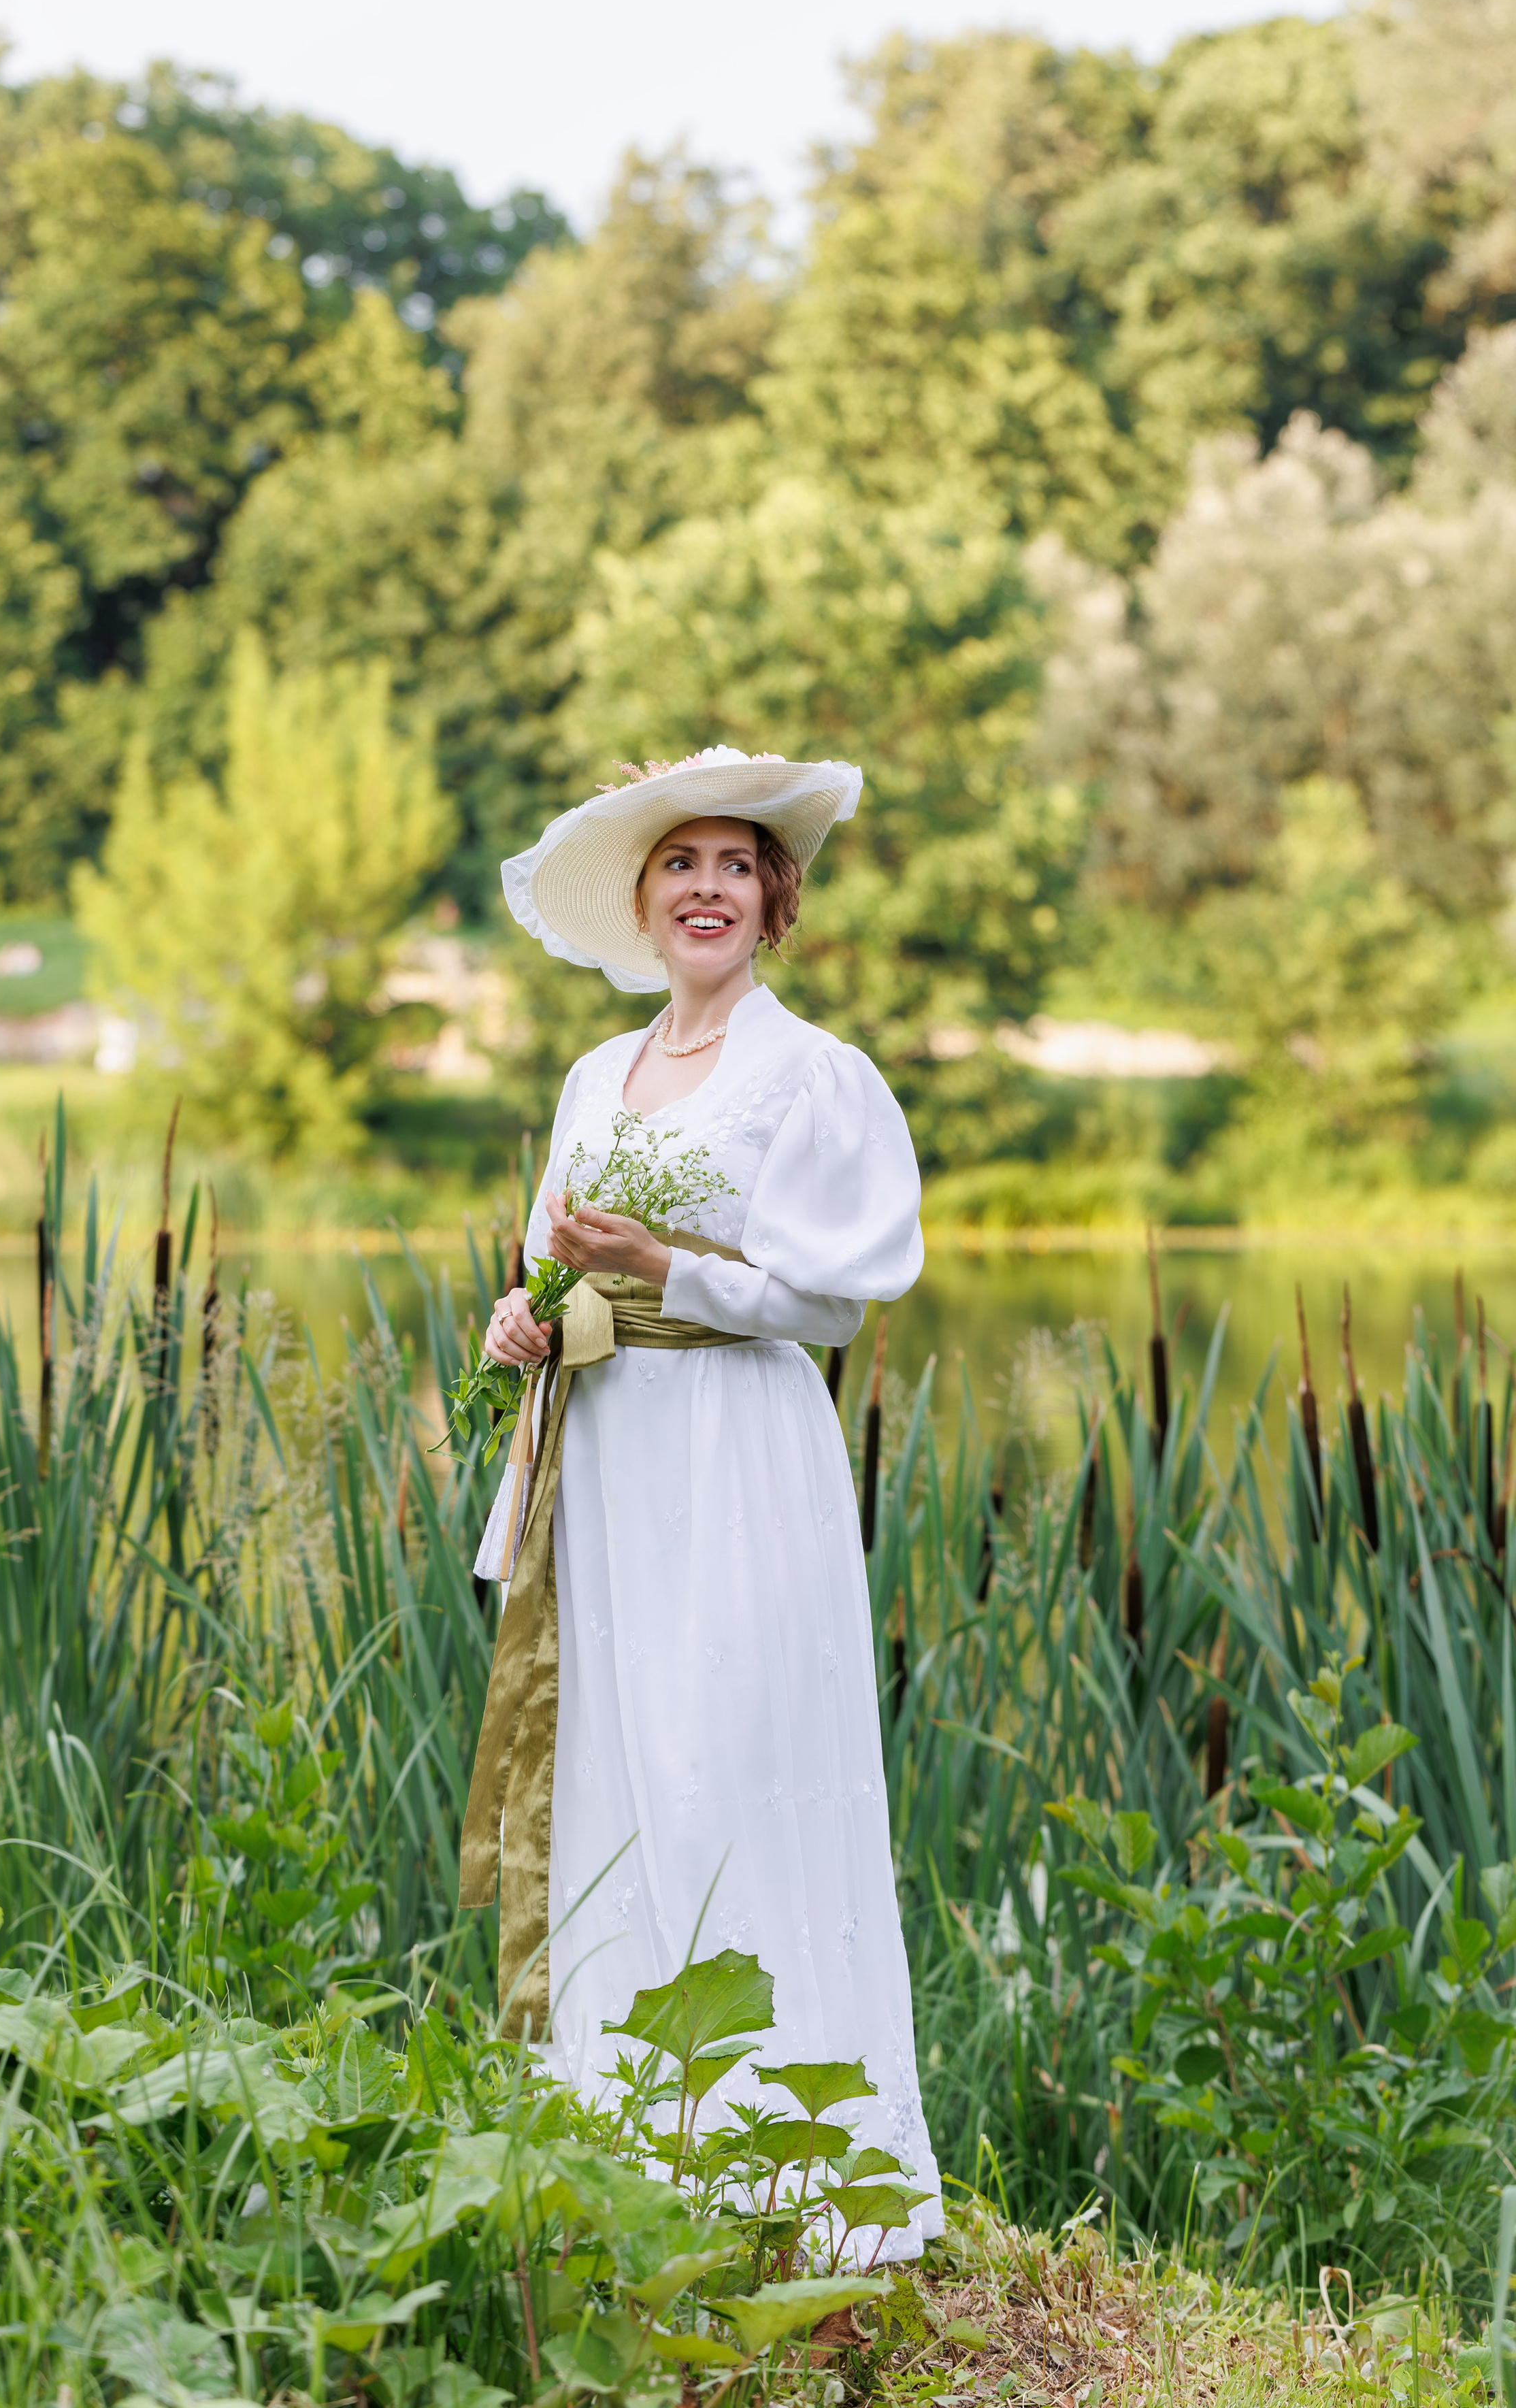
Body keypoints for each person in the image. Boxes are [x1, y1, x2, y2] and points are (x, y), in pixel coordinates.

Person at [461, 745, 942, 2256]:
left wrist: (670, 1272)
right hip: (604, 1454)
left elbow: (834, 1308)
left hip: (735, 1454)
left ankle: (787, 2172)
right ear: (646, 898)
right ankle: (627, 2150)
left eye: (736, 865)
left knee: (729, 1756)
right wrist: (520, 1318)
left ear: (773, 897)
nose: (708, 889)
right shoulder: (590, 1078)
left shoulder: (810, 1075)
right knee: (618, 1760)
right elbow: (550, 1259)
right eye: (683, 866)